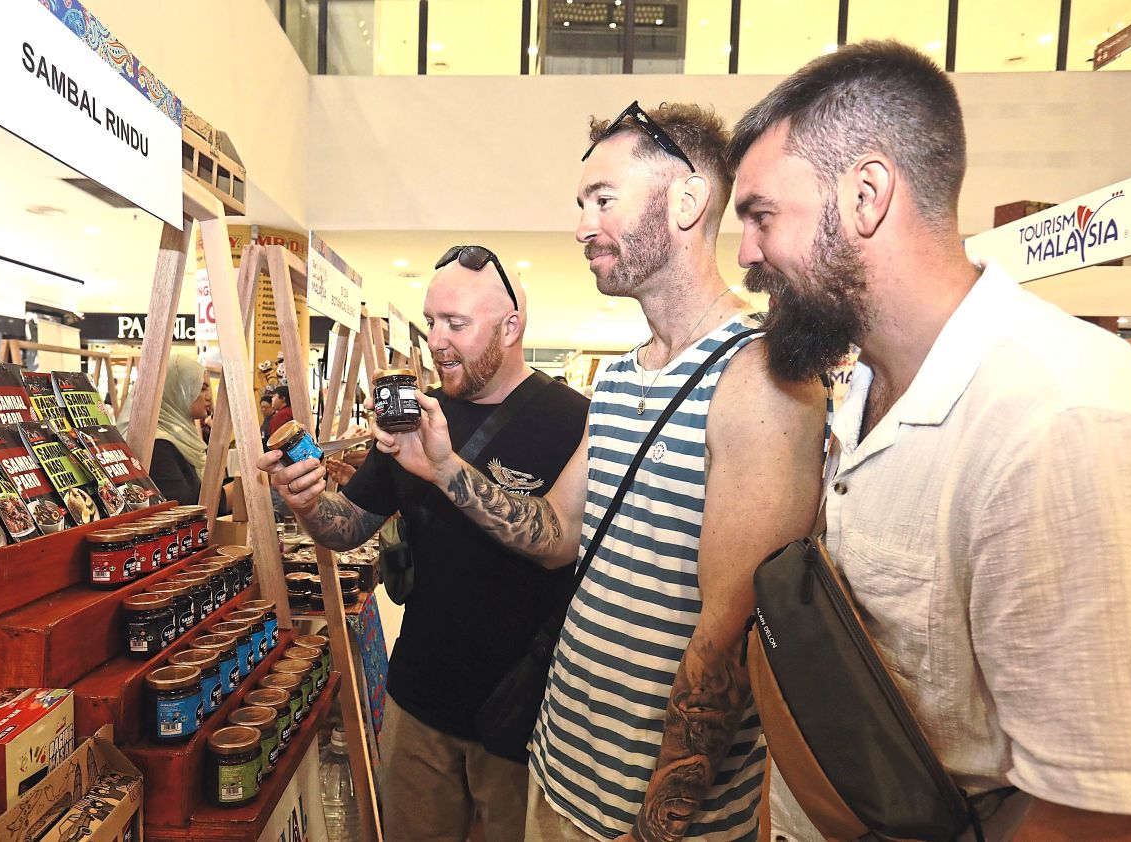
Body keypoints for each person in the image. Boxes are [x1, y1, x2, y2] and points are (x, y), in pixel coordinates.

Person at [367, 104, 828, 841]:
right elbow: (555, 533)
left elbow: (728, 640)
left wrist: (657, 827)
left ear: (686, 201)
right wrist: (447, 469)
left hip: (649, 817)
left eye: (603, 200)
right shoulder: (617, 380)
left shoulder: (761, 380)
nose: (583, 225)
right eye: (581, 204)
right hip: (557, 775)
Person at [724, 40, 1131, 841]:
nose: (745, 253)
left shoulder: (1057, 418)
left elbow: (1100, 817)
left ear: (866, 196)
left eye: (760, 216)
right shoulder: (860, 387)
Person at [257, 248, 589, 842]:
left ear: (510, 328)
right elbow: (350, 526)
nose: (436, 340)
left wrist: (444, 469)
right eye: (431, 320)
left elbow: (554, 541)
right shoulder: (413, 413)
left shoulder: (572, 420)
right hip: (418, 703)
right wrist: (306, 502)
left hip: (524, 717)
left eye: (455, 324)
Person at [117, 353, 211, 506]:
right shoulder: (157, 445)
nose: (208, 397)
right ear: (176, 391)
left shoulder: (177, 436)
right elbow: (181, 503)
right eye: (201, 388)